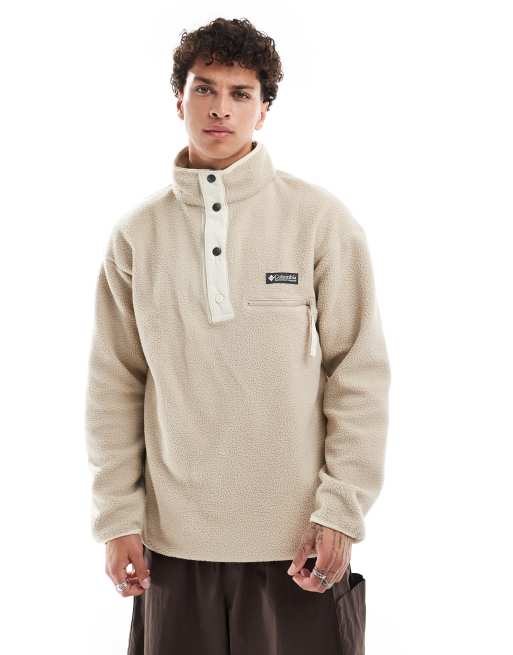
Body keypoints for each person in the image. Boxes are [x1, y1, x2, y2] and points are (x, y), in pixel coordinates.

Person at [85, 16, 391, 655]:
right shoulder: (136, 236)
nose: (220, 108)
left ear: (264, 109)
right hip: (172, 548)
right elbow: (115, 384)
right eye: (204, 88)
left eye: (240, 93)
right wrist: (117, 518)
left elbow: (357, 373)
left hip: (299, 545)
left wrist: (341, 510)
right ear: (179, 101)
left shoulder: (320, 221)